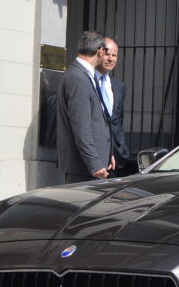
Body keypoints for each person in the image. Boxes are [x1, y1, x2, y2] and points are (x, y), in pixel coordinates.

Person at [56, 31, 113, 183]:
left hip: (91, 166)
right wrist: (94, 163)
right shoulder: (78, 78)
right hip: (84, 168)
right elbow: (81, 127)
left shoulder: (84, 75)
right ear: (100, 52)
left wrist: (107, 154)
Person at [100, 37, 133, 177]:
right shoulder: (88, 82)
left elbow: (118, 121)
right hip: (94, 159)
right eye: (107, 54)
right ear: (99, 53)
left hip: (116, 160)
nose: (111, 59)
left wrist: (120, 149)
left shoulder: (119, 86)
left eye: (114, 55)